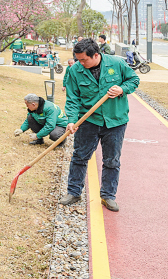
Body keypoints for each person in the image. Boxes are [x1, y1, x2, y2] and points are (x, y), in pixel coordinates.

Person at [59, 38, 140, 212]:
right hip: (88, 120)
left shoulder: (117, 63)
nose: (80, 63)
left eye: (83, 60)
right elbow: (72, 98)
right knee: (80, 156)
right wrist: (71, 120)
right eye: (78, 59)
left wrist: (121, 89)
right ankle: (74, 192)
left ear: (96, 55)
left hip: (115, 121)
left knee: (112, 160)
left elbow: (133, 80)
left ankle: (108, 196)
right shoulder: (75, 70)